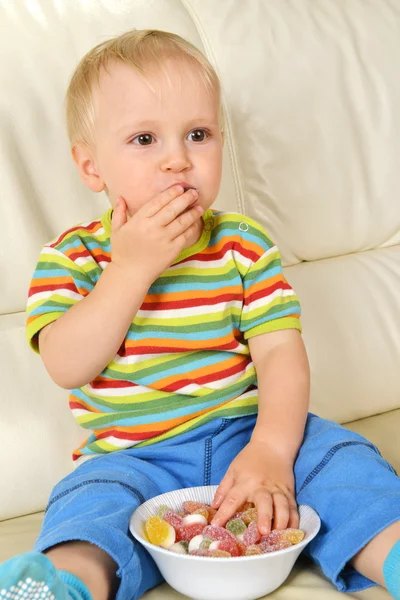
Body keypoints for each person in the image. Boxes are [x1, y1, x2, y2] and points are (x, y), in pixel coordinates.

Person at [0, 28, 399, 600]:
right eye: (144, 138)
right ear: (92, 168)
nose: (178, 160)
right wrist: (131, 269)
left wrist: (270, 449)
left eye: (198, 134)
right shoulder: (74, 257)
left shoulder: (241, 244)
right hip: (134, 457)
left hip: (249, 434)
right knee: (90, 507)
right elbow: (66, 363)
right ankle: (64, 585)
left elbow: (281, 354)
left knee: (344, 466)